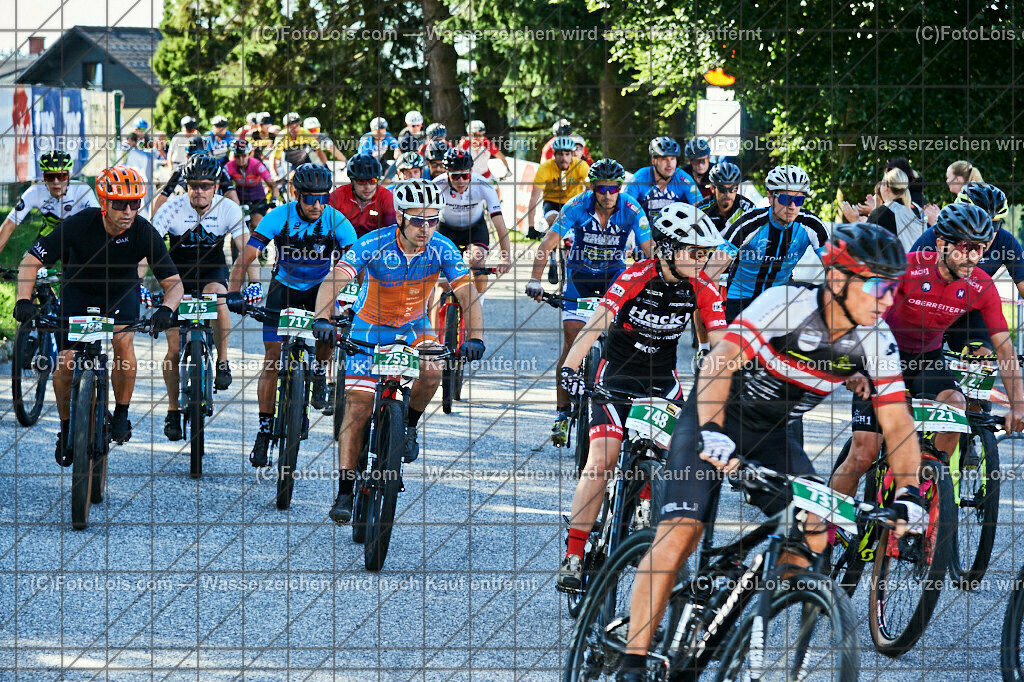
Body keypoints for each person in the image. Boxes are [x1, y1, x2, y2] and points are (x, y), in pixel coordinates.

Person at [615, 223, 925, 681]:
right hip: (712, 418)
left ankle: (744, 611)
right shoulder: (787, 304)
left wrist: (911, 492)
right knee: (681, 532)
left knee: (814, 531)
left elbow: (897, 422)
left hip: (773, 436)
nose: (887, 298)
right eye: (877, 285)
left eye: (893, 287)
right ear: (838, 280)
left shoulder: (876, 340)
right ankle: (633, 661)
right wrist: (713, 432)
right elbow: (720, 362)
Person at [555, 203, 728, 591]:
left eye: (705, 253)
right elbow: (596, 323)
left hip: (660, 384)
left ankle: (649, 501)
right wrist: (570, 368)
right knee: (602, 461)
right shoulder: (636, 275)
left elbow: (721, 347)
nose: (702, 260)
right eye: (694, 252)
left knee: (676, 463)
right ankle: (575, 552)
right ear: (667, 250)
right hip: (615, 380)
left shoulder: (703, 286)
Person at [310, 179, 484, 522]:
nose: (426, 228)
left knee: (434, 368)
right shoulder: (373, 243)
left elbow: (467, 295)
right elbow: (335, 279)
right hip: (369, 326)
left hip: (414, 326)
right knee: (358, 407)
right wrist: (322, 318)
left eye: (433, 219)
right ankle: (345, 491)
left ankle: (409, 425)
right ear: (400, 217)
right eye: (418, 220)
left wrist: (475, 338)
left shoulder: (443, 248)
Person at [832, 205, 1024, 507]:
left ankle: (923, 489)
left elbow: (1004, 349)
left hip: (926, 358)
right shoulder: (905, 267)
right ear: (941, 244)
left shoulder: (981, 286)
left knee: (956, 406)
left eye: (981, 249)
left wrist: (1018, 405)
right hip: (880, 355)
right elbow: (854, 309)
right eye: (966, 247)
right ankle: (821, 531)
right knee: (863, 455)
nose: (974, 257)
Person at [12, 166, 184, 462]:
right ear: (103, 204)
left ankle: (121, 414)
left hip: (120, 295)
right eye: (120, 204)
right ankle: (66, 428)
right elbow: (30, 261)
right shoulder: (79, 224)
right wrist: (23, 301)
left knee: (123, 342)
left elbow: (174, 284)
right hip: (78, 295)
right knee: (66, 361)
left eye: (135, 203)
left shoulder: (143, 231)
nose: (129, 211)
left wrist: (167, 310)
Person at [226, 164, 357, 467]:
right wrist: (234, 292)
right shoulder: (278, 216)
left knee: (328, 333)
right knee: (272, 358)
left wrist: (355, 300)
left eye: (323, 198)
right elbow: (246, 257)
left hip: (321, 289)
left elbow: (356, 261)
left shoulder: (336, 219)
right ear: (296, 194)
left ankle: (320, 373)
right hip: (283, 288)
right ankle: (264, 430)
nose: (317, 205)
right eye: (310, 198)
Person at [526, 159, 654, 446]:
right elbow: (547, 244)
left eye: (613, 188)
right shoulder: (575, 206)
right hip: (580, 276)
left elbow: (649, 252)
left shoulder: (632, 208)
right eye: (601, 188)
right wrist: (535, 280)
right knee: (572, 339)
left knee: (624, 338)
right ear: (592, 187)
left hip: (615, 277)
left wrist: (653, 283)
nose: (608, 194)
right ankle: (561, 414)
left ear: (620, 187)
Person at [151, 154, 262, 439]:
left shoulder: (229, 208)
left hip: (212, 272)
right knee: (174, 351)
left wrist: (254, 286)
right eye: (193, 185)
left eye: (206, 185)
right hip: (177, 278)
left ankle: (223, 360)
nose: (199, 191)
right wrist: (137, 284)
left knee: (220, 297)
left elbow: (248, 251)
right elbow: (146, 249)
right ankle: (173, 411)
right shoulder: (172, 208)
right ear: (185, 186)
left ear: (216, 186)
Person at [910, 182, 1024, 355]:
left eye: (993, 226)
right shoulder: (936, 237)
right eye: (975, 223)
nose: (986, 234)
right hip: (929, 308)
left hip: (969, 311)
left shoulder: (1006, 242)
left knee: (982, 357)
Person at [709, 164, 828, 322]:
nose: (792, 206)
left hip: (778, 299)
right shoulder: (749, 224)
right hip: (740, 298)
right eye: (786, 199)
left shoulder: (812, 225)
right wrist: (714, 311)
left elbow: (835, 269)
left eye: (799, 200)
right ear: (770, 198)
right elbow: (712, 271)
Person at [433, 147, 513, 301]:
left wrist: (506, 259)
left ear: (471, 171)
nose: (461, 180)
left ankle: (478, 302)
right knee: (442, 286)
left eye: (465, 175)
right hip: (446, 231)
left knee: (477, 261)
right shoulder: (436, 185)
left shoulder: (483, 184)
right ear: (447, 173)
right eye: (455, 176)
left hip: (475, 229)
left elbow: (500, 226)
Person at [0, 150, 99, 256]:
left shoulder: (82, 190)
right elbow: (8, 226)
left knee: (73, 268)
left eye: (61, 176)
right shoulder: (35, 191)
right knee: (27, 264)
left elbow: (98, 221)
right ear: (43, 176)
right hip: (49, 233)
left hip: (76, 235)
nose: (56, 181)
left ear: (69, 176)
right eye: (50, 177)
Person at [523, 136, 590, 241]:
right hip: (552, 202)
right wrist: (531, 227)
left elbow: (591, 190)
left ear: (572, 154)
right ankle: (552, 253)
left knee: (575, 230)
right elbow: (533, 198)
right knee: (554, 221)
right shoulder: (545, 167)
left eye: (567, 154)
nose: (564, 158)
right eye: (560, 154)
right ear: (554, 155)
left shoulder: (581, 166)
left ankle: (569, 248)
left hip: (573, 202)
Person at [622, 136, 699, 221]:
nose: (669, 164)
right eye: (664, 159)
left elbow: (700, 209)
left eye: (672, 159)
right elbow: (623, 207)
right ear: (653, 160)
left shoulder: (683, 178)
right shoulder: (640, 177)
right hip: (645, 229)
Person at [328, 153, 397, 238]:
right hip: (344, 245)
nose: (367, 187)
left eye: (373, 181)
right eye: (361, 181)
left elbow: (393, 232)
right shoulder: (337, 196)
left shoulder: (386, 196)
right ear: (352, 181)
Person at [154, 145, 239, 213]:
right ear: (187, 156)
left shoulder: (218, 168)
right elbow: (163, 195)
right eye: (193, 156)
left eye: (202, 156)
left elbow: (231, 194)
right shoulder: (180, 169)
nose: (198, 161)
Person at [225, 139, 280, 231]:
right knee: (238, 227)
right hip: (240, 198)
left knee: (256, 224)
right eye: (237, 156)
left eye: (244, 155)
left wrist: (274, 199)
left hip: (257, 197)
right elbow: (220, 185)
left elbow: (272, 185)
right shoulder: (229, 166)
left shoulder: (257, 164)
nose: (241, 159)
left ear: (249, 154)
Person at [866, 167, 926, 252]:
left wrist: (855, 220)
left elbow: (865, 244)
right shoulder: (918, 209)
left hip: (899, 263)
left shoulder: (883, 212)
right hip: (922, 263)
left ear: (886, 186)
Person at [694, 161, 754, 234]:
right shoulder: (701, 210)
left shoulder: (748, 209)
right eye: (722, 189)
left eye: (732, 189)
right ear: (712, 188)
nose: (727, 194)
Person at [269, 112, 328, 178]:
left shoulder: (305, 133)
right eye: (291, 127)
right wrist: (274, 174)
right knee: (292, 177)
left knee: (315, 175)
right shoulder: (281, 137)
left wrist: (325, 166)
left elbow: (318, 150)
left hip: (304, 160)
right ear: (286, 127)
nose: (295, 129)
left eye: (297, 126)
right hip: (289, 162)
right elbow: (274, 157)